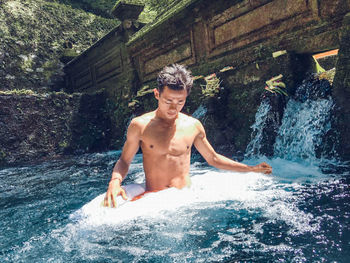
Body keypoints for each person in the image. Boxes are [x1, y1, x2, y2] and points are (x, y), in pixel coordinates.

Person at [103, 64, 272, 207]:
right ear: (157, 94)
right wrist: (115, 182)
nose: (173, 108)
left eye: (180, 102)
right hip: (155, 200)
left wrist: (250, 169)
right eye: (168, 101)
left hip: (186, 200)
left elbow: (213, 158)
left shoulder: (193, 125)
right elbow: (124, 160)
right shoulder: (139, 125)